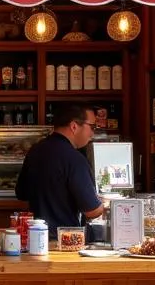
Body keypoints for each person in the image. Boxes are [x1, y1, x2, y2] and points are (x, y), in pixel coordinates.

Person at [15, 100, 105, 240]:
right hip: (67, 240)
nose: (93, 133)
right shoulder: (75, 159)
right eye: (92, 127)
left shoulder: (35, 151)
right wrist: (107, 203)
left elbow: (22, 194)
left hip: (35, 237)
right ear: (74, 126)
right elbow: (92, 211)